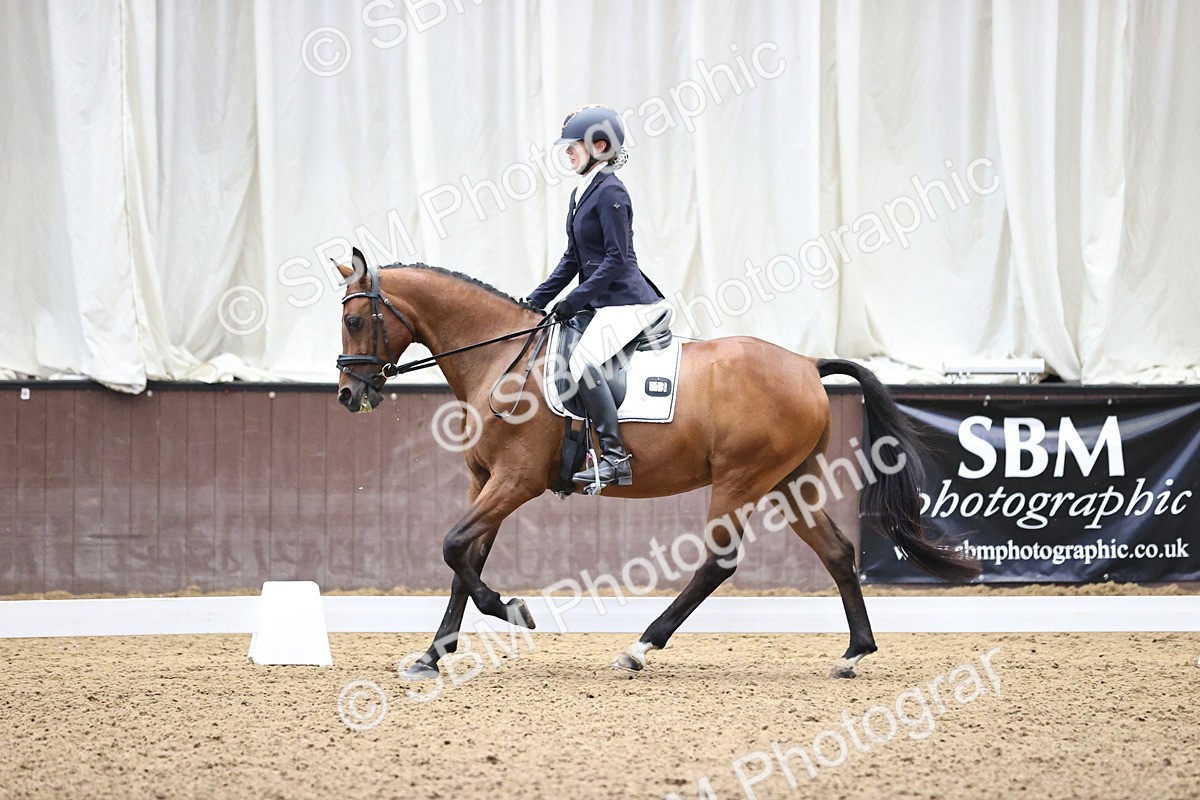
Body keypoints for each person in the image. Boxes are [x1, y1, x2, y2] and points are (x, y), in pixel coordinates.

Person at [527, 104, 672, 488]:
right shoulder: (581, 193)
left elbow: (616, 258)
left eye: (575, 145)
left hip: (627, 301)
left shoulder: (611, 193)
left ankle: (615, 458)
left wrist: (573, 301)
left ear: (600, 145)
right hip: (602, 301)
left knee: (582, 363)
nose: (568, 151)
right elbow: (572, 258)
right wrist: (534, 301)